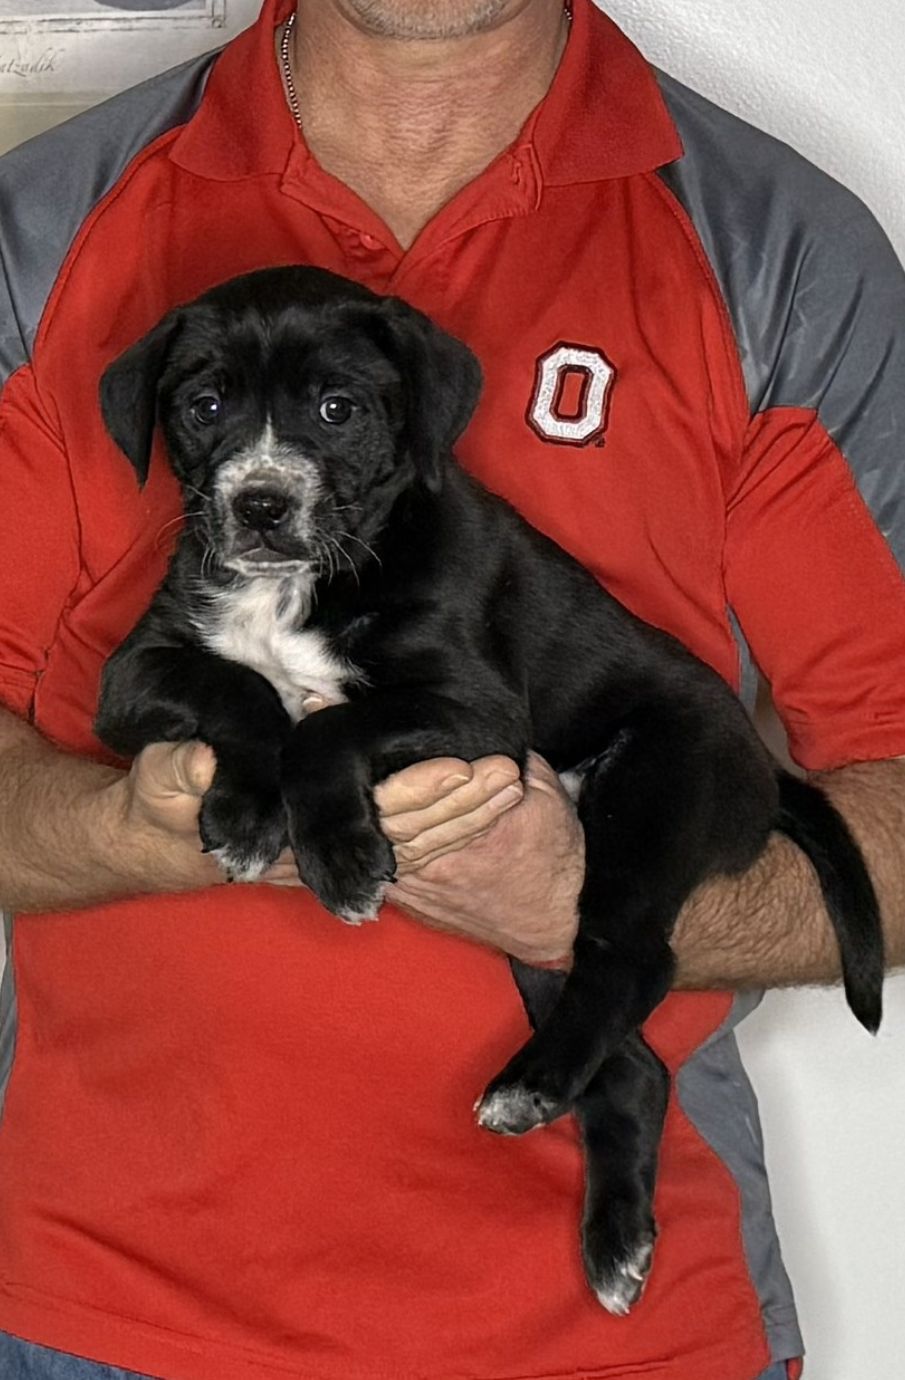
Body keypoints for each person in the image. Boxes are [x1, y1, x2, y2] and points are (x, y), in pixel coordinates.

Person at [0, 1, 903, 1376]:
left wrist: (588, 911)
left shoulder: (775, 255)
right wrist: (127, 836)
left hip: (607, 1346)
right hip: (98, 1313)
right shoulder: (45, 228)